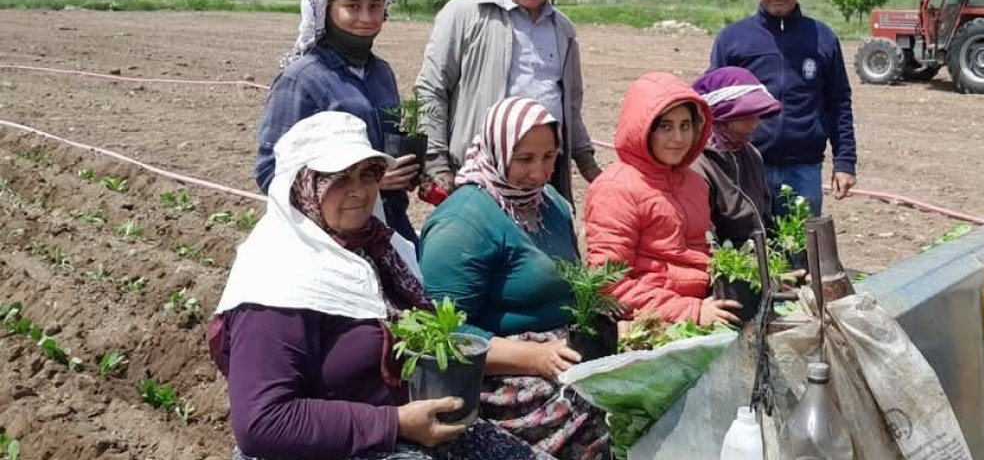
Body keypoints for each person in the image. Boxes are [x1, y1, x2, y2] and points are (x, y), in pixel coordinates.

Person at [212, 111, 548, 460]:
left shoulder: (376, 250)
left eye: (368, 174)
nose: (359, 191)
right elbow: (263, 423)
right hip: (325, 447)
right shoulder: (278, 280)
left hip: (402, 426)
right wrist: (395, 422)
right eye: (339, 179)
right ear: (304, 186)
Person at [418, 97, 608, 460]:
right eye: (524, 159)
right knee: (596, 414)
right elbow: (444, 334)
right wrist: (534, 356)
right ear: (497, 150)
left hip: (559, 354)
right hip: (498, 377)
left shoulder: (549, 203)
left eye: (549, 156)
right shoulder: (462, 223)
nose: (539, 172)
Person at [415, 0, 600, 202]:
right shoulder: (464, 14)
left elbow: (570, 105)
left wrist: (588, 164)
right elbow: (431, 89)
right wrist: (436, 163)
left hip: (545, 172)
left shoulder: (563, 28)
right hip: (481, 173)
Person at [255, 0, 421, 248]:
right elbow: (270, 173)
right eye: (352, 6)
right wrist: (368, 184)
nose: (366, 17)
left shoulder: (381, 73)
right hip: (331, 240)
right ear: (325, 9)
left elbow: (384, 143)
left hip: (390, 227)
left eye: (375, 5)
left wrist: (406, 167)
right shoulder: (302, 79)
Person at [708, 0, 857, 218]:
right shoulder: (732, 40)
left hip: (804, 170)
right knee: (749, 242)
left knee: (801, 243)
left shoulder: (822, 38)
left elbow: (839, 103)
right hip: (746, 167)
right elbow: (713, 105)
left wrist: (844, 162)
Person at [584, 72, 741, 325]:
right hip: (650, 322)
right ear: (644, 130)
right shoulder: (615, 189)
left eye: (685, 126)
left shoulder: (694, 183)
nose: (678, 138)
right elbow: (607, 285)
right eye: (666, 127)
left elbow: (699, 256)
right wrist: (690, 311)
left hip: (701, 305)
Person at [690, 67, 782, 246]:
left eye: (757, 115)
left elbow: (765, 217)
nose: (755, 123)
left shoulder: (751, 155)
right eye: (746, 116)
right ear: (720, 118)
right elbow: (705, 239)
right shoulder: (698, 167)